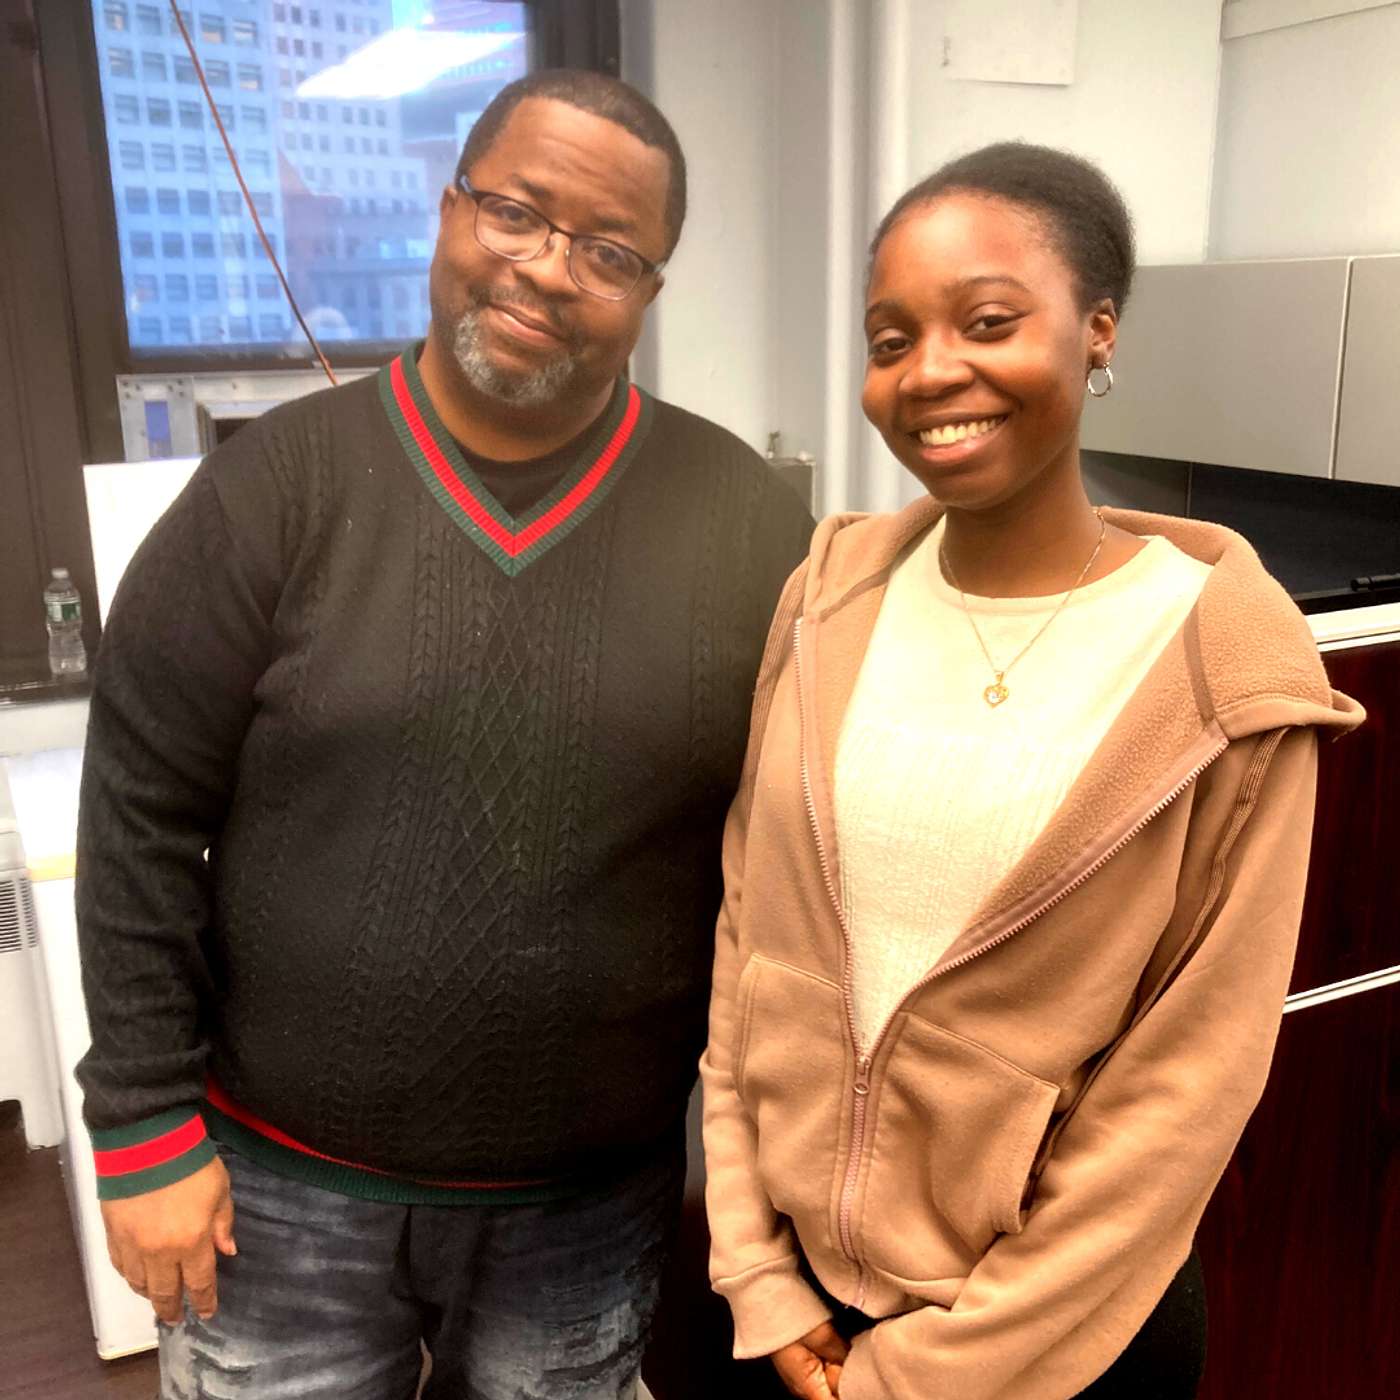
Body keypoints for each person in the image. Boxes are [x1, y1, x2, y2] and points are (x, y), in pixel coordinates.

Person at [76, 69, 812, 1399]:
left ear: (650, 290)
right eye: (515, 213)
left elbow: (789, 844)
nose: (546, 269)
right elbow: (138, 815)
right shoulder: (269, 493)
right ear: (448, 210)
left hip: (585, 1208)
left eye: (609, 251)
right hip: (275, 1198)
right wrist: (139, 1127)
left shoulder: (741, 522)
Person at [700, 142, 1364, 1400]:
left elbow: (1184, 1087)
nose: (927, 370)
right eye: (889, 339)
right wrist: (754, 1267)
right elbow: (747, 952)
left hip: (1057, 1342)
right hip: (793, 1312)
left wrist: (926, 1376)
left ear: (1095, 329)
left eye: (987, 320)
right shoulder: (824, 598)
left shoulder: (1221, 660)